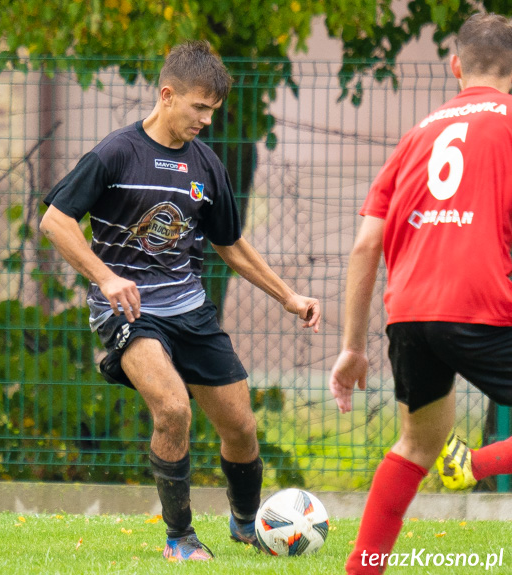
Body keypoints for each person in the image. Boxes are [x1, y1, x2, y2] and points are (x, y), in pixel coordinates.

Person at [40, 41, 321, 561]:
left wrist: (289, 296)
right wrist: (105, 278)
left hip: (189, 309)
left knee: (241, 427)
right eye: (198, 107)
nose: (206, 120)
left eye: (213, 110)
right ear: (167, 95)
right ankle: (180, 539)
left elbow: (230, 243)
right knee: (172, 408)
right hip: (129, 311)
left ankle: (246, 525)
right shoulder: (114, 153)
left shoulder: (206, 165)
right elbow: (55, 221)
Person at [329, 13, 512, 575]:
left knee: (417, 443)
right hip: (480, 306)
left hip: (408, 315)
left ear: (456, 66)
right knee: (434, 448)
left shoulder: (417, 135)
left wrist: (352, 347)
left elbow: (365, 247)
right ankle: (476, 464)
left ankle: (363, 569)